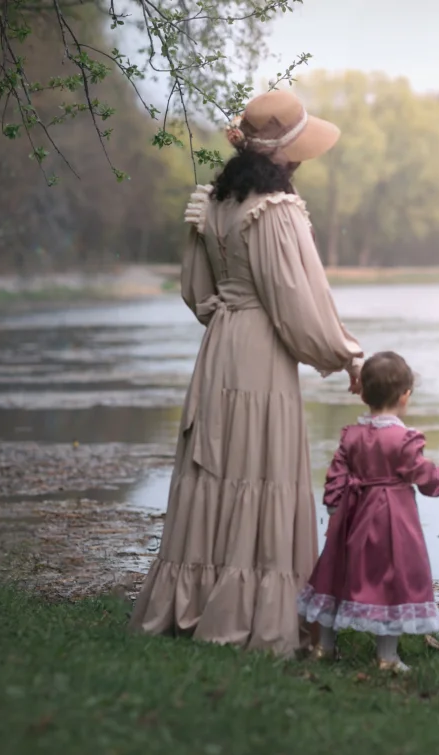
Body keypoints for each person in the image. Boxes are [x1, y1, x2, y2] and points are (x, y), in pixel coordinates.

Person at [129, 90, 364, 657]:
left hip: (219, 346)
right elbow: (298, 303)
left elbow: (196, 291)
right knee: (259, 468)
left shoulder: (214, 203)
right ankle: (254, 611)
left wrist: (226, 318)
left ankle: (195, 601)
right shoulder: (277, 211)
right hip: (261, 349)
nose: (305, 160)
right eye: (300, 150)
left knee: (218, 471)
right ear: (284, 156)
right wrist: (346, 354)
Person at [297, 351, 439, 673]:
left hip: (352, 515)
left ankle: (323, 648)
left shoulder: (352, 435)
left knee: (337, 572)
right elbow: (421, 475)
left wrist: (333, 505)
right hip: (392, 520)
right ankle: (387, 657)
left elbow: (336, 474)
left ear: (364, 394)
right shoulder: (403, 439)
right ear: (405, 396)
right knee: (391, 577)